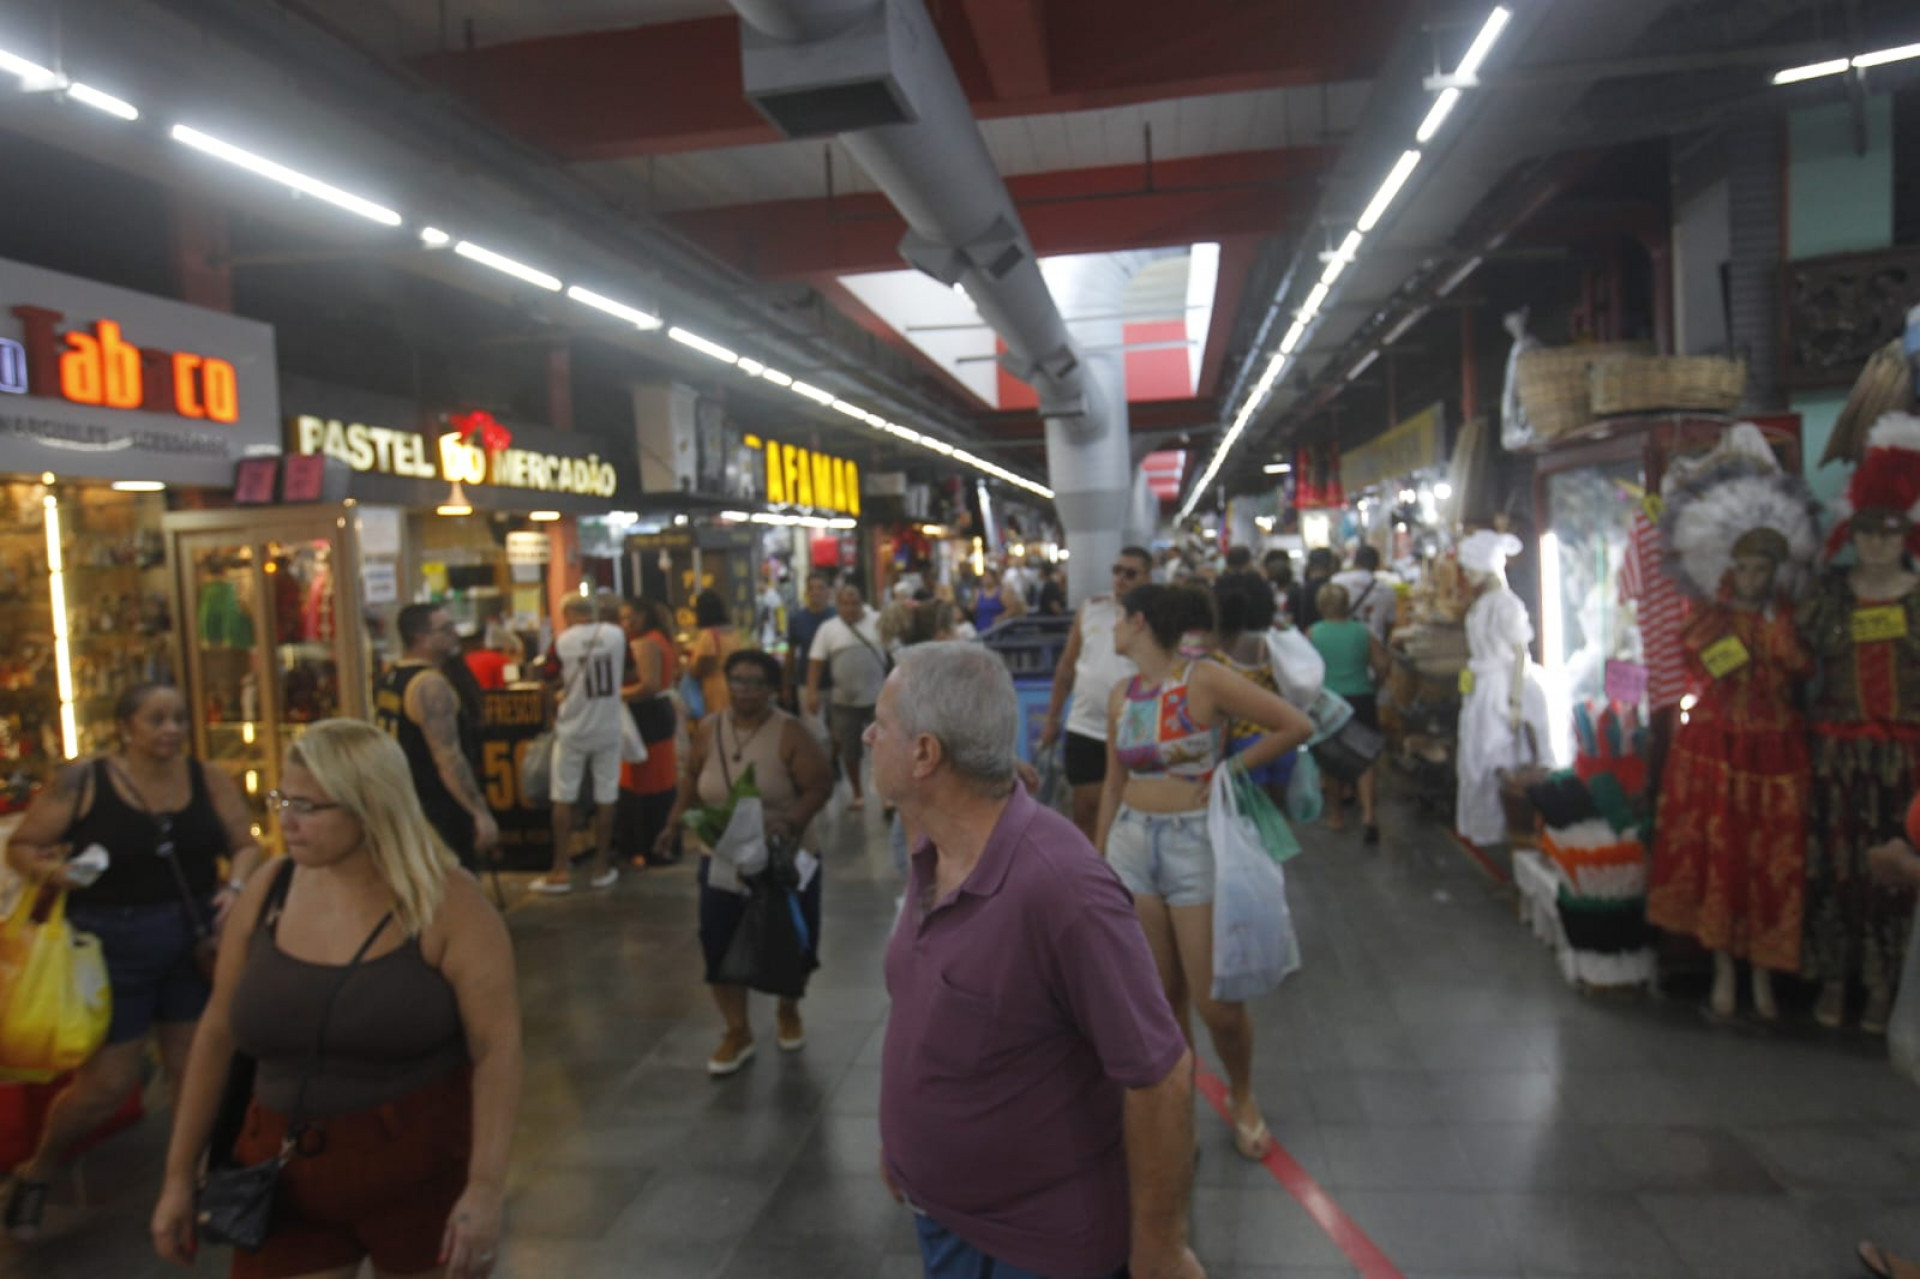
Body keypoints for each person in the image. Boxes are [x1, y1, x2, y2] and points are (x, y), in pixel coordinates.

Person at [867, 642, 1204, 1279]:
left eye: (880, 725)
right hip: (944, 1212)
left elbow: (1161, 1075)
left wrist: (1160, 1249)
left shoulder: (1062, 888)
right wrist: (906, 1146)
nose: (867, 737)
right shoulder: (934, 845)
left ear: (925, 753)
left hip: (1034, 1245)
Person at [151, 720, 522, 1279]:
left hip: (417, 1168)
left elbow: (498, 1050)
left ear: (370, 808)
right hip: (281, 1173)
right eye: (282, 800)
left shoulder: (446, 903)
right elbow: (217, 1031)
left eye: (308, 806)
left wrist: (485, 1188)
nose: (286, 821)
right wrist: (178, 1176)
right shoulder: (270, 889)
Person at [3, 684, 263, 1241]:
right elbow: (21, 845)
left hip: (192, 941)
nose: (171, 729)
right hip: (111, 944)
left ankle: (189, 1184)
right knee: (107, 1084)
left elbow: (245, 842)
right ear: (125, 728)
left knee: (195, 1072)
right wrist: (56, 873)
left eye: (179, 718)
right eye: (157, 719)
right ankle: (39, 1167)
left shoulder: (205, 778)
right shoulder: (86, 781)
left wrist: (237, 886)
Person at [1095, 585, 1313, 1163]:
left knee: (1216, 1002)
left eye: (1120, 618)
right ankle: (1180, 1109)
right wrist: (1098, 858)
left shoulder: (1205, 679)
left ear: (1140, 623)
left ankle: (1242, 1093)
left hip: (1194, 846)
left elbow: (1295, 724)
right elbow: (1114, 782)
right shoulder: (1121, 695)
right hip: (1131, 845)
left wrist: (1229, 769)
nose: (1113, 627)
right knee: (1160, 999)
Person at [657, 651, 833, 1075]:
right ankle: (737, 1030)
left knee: (792, 939)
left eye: (756, 682)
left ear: (772, 689)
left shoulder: (789, 732)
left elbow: (819, 784)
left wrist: (790, 823)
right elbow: (691, 778)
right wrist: (673, 823)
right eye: (737, 680)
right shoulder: (709, 729)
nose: (745, 690)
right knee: (717, 938)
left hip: (782, 858)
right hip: (723, 859)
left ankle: (788, 1008)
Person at [373, 605, 501, 875]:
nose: (455, 634)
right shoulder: (429, 685)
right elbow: (449, 759)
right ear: (421, 638)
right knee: (457, 885)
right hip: (436, 808)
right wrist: (479, 812)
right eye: (445, 629)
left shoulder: (392, 677)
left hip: (406, 802)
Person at [1041, 547, 1152, 842]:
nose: (1121, 578)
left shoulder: (1155, 616)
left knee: (1127, 810)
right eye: (1117, 571)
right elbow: (1067, 666)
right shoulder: (1091, 608)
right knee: (1085, 810)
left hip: (1134, 726)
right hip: (1085, 725)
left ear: (1147, 577)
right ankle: (1089, 865)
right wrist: (1052, 718)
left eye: (1130, 573)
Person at [533, 596, 627, 894]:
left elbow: (548, 679)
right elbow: (630, 672)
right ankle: (601, 867)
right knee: (607, 796)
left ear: (568, 614)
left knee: (563, 796)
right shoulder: (616, 635)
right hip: (608, 726)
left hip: (572, 728)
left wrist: (556, 707)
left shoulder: (562, 641)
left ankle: (560, 869)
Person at [1309, 582, 1390, 842]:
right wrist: (1375, 685)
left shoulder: (1313, 633)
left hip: (1328, 703)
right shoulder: (1363, 633)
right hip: (1361, 699)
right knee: (1365, 757)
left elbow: (1304, 671)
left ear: (1321, 606)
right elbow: (1382, 664)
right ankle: (1368, 814)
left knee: (1332, 761)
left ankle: (1337, 816)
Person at [1210, 577, 1299, 801]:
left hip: (1242, 744)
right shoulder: (1266, 644)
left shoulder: (1214, 654)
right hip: (1280, 737)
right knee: (1276, 811)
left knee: (1252, 812)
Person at [808, 584, 889, 812]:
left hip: (878, 699)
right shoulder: (828, 629)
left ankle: (887, 795)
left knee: (884, 748)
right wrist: (812, 692)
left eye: (855, 603)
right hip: (844, 701)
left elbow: (895, 651)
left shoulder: (878, 622)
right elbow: (815, 662)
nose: (850, 608)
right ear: (838, 605)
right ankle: (857, 793)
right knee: (850, 750)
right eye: (845, 603)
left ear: (862, 603)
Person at [618, 597, 681, 869]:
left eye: (629, 617)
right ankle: (664, 844)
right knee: (660, 779)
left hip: (648, 715)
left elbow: (649, 685)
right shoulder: (661, 639)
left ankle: (651, 846)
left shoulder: (646, 643)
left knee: (648, 781)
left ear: (643, 616)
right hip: (658, 712)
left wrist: (616, 694)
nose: (625, 624)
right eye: (621, 618)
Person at [785, 571, 837, 717]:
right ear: (807, 592)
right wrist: (786, 686)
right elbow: (790, 654)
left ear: (828, 591)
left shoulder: (837, 616)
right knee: (814, 730)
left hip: (836, 684)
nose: (816, 592)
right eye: (812, 588)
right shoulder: (797, 619)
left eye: (820, 588)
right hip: (806, 684)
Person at [688, 589, 744, 718]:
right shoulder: (733, 632)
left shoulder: (708, 635)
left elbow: (703, 667)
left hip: (715, 689)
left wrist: (690, 669)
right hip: (732, 684)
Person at [1331, 545, 1397, 644]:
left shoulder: (1337, 581)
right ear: (1377, 565)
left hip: (1341, 642)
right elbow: (1389, 624)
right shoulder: (1387, 591)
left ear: (1354, 562)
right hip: (1373, 644)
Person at [1293, 547, 1339, 630]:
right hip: (1333, 633)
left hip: (1308, 635)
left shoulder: (1299, 590)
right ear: (1330, 564)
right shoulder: (1334, 589)